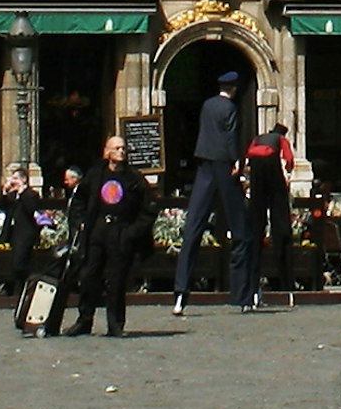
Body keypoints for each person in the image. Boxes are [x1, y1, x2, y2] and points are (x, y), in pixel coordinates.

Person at [172, 69, 252, 317]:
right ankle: (242, 295)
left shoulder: (207, 106)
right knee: (241, 231)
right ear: (234, 89)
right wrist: (236, 161)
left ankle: (180, 293)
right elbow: (230, 137)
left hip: (204, 166)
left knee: (193, 228)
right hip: (223, 167)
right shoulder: (230, 110)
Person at [62, 134, 154, 338]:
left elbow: (148, 209)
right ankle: (84, 320)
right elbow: (79, 201)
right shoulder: (95, 175)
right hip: (97, 231)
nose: (121, 151)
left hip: (120, 233)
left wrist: (132, 233)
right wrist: (80, 224)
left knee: (116, 280)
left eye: (123, 148)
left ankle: (115, 323)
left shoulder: (134, 178)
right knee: (88, 277)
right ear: (107, 152)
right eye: (117, 148)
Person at [244, 120, 297, 308]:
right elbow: (289, 159)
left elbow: (248, 156)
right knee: (279, 210)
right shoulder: (281, 140)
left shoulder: (259, 138)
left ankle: (252, 280)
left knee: (257, 215)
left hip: (257, 168)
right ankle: (285, 280)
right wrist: (288, 174)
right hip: (271, 166)